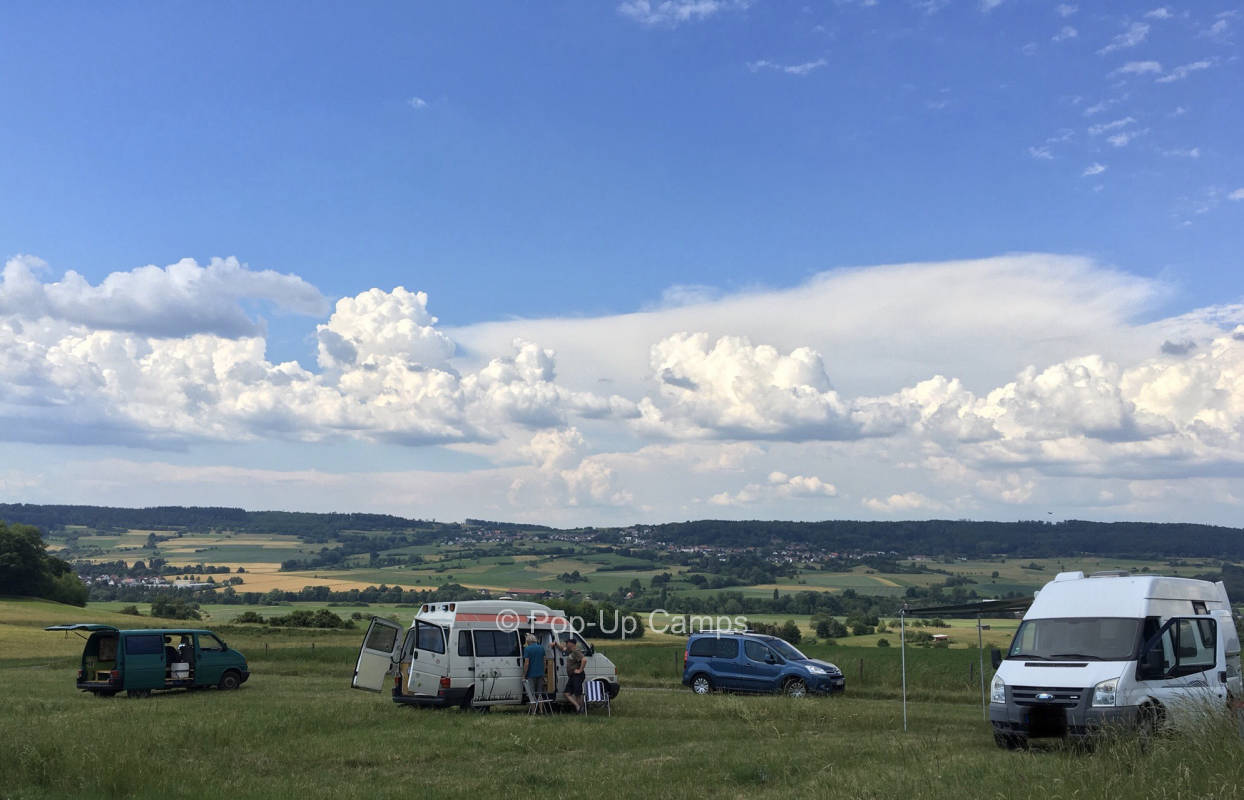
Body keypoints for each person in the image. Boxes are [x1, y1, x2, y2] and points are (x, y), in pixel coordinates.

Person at [556, 636, 586, 712]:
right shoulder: (570, 651)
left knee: (577, 693)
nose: (566, 643)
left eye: (567, 642)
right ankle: (578, 707)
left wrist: (580, 670)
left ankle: (580, 709)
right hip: (572, 676)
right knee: (566, 693)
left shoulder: (576, 651)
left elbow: (584, 659)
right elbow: (562, 649)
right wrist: (556, 644)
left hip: (577, 676)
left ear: (571, 644)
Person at [521, 633, 546, 709]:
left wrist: (524, 675)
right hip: (540, 674)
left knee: (531, 694)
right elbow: (544, 661)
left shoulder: (527, 649)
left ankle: (533, 710)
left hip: (531, 674)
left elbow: (526, 663)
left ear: (528, 641)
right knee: (539, 693)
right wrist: (543, 671)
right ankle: (541, 710)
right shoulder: (541, 648)